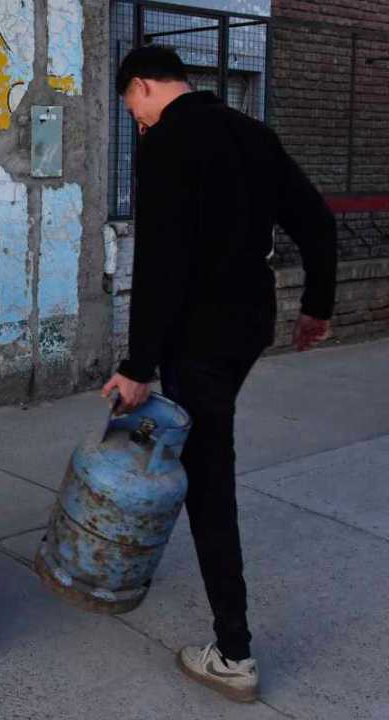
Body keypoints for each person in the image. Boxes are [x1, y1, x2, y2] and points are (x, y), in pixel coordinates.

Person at [101, 45, 338, 703]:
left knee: (208, 478)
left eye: (134, 109)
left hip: (198, 335)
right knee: (195, 446)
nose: (138, 122)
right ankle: (137, 552)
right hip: (248, 324)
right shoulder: (253, 134)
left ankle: (233, 653)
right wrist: (317, 307)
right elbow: (318, 224)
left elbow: (161, 263)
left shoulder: (167, 144)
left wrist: (137, 366)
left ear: (144, 86)